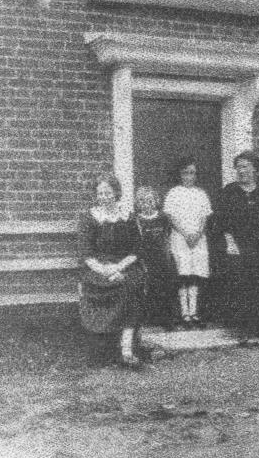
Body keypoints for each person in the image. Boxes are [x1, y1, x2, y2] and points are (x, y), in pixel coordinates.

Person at [79, 173, 146, 368]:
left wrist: (119, 267)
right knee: (112, 284)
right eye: (100, 193)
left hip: (124, 265)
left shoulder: (127, 216)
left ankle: (126, 349)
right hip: (96, 268)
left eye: (108, 192)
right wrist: (105, 270)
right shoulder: (90, 219)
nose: (104, 197)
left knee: (130, 283)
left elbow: (137, 250)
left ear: (116, 193)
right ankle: (105, 351)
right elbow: (86, 253)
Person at [214, 150, 259, 345]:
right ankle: (246, 332)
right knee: (242, 287)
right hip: (238, 245)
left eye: (245, 167)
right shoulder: (229, 191)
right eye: (238, 167)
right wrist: (230, 242)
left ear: (254, 169)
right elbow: (222, 220)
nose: (241, 171)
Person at [163, 157, 212, 329]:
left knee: (195, 274)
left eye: (192, 173)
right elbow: (170, 216)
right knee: (183, 274)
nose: (189, 177)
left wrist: (198, 234)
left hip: (198, 239)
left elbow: (205, 217)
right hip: (181, 238)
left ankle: (194, 312)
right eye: (185, 173)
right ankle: (184, 313)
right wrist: (185, 234)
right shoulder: (174, 193)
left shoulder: (201, 194)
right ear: (180, 174)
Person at [134, 186, 176, 331]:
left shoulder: (163, 217)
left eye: (150, 201)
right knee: (149, 287)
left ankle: (167, 320)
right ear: (139, 204)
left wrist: (168, 254)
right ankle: (150, 318)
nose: (148, 205)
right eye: (144, 202)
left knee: (166, 287)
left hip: (162, 258)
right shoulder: (137, 219)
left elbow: (168, 235)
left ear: (156, 201)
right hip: (146, 258)